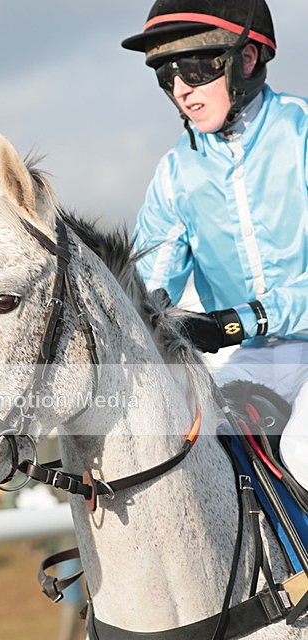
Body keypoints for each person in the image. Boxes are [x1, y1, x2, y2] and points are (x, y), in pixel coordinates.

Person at [121, 0, 308, 489]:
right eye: (166, 75)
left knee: (303, 449)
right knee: (188, 452)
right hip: (252, 357)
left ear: (246, 59)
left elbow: (239, 321)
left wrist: (239, 320)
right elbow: (148, 288)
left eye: (195, 68)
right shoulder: (174, 174)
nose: (181, 89)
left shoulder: (302, 134)